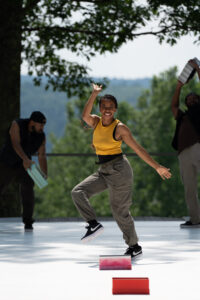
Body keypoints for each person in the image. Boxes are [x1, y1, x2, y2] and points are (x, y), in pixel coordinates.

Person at [71, 84, 171, 257]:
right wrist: (94, 93)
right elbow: (85, 115)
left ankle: (134, 247)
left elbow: (138, 149)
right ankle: (93, 224)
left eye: (110, 107)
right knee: (78, 191)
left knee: (119, 211)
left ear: (115, 109)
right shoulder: (96, 122)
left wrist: (157, 167)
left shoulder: (120, 128)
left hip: (119, 171)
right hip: (103, 170)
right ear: (100, 109)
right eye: (104, 107)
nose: (107, 110)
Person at [0, 111, 47, 231]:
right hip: (7, 162)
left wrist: (44, 173)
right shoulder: (17, 124)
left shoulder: (41, 136)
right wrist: (25, 159)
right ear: (32, 122)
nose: (42, 128)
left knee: (28, 189)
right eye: (40, 125)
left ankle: (28, 221)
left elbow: (42, 155)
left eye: (43, 126)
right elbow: (15, 143)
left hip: (25, 165)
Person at [171, 59, 200, 228]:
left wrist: (197, 68)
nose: (190, 99)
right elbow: (174, 105)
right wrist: (179, 87)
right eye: (188, 98)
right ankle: (196, 219)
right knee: (189, 189)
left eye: (194, 97)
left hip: (198, 147)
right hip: (183, 153)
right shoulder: (183, 116)